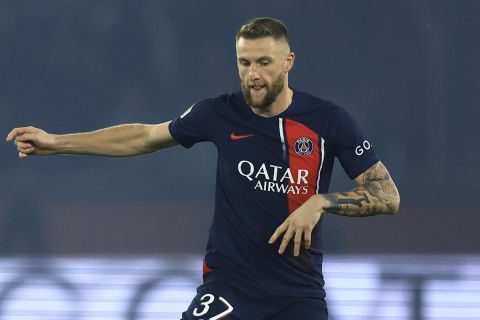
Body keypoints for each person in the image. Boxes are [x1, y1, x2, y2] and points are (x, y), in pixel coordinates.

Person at [6, 17, 400, 320]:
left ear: (288, 62)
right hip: (231, 286)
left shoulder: (328, 121)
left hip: (298, 293)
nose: (253, 75)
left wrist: (320, 203)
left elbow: (387, 194)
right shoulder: (219, 113)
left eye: (264, 62)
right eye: (244, 63)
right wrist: (58, 143)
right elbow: (144, 136)